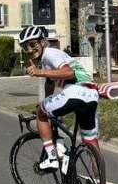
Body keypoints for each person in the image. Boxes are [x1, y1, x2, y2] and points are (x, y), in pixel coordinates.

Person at [19, 25, 99, 171]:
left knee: (41, 114)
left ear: (43, 42)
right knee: (90, 141)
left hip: (75, 91)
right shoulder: (47, 60)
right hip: (91, 94)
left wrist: (38, 72)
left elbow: (69, 73)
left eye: (33, 44)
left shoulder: (50, 54)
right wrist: (44, 103)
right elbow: (49, 86)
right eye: (25, 47)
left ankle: (52, 158)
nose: (30, 50)